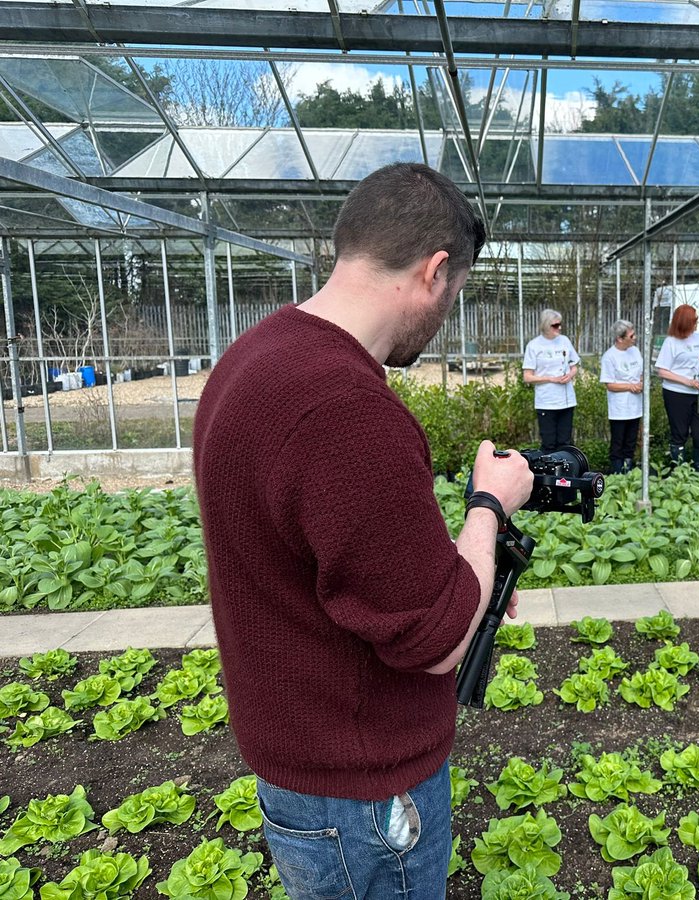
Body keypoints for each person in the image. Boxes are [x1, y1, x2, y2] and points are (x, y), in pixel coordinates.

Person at [192, 162, 534, 900]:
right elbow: (438, 644)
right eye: (456, 292)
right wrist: (488, 509)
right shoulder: (347, 410)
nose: (447, 314)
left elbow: (328, 559)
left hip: (307, 775)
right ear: (435, 270)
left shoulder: (254, 359)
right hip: (365, 799)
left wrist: (458, 575)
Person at [656, 303, 699, 472]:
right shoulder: (671, 342)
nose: (696, 324)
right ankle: (679, 471)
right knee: (679, 433)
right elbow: (662, 371)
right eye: (693, 321)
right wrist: (686, 381)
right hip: (677, 394)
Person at [523, 309, 580, 452]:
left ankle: (566, 473)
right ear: (546, 326)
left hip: (566, 401)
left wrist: (570, 375)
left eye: (560, 324)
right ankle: (550, 473)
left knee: (565, 442)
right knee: (548, 443)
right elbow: (527, 376)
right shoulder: (534, 345)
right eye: (555, 325)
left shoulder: (565, 341)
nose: (559, 328)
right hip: (546, 402)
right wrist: (550, 378)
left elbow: (574, 366)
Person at [600, 319, 643, 474]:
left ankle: (629, 470)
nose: (635, 338)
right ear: (620, 338)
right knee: (618, 442)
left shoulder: (635, 351)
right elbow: (610, 384)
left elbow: (641, 373)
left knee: (631, 441)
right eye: (631, 336)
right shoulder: (609, 356)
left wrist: (641, 383)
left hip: (635, 406)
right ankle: (618, 473)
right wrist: (631, 386)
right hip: (619, 409)